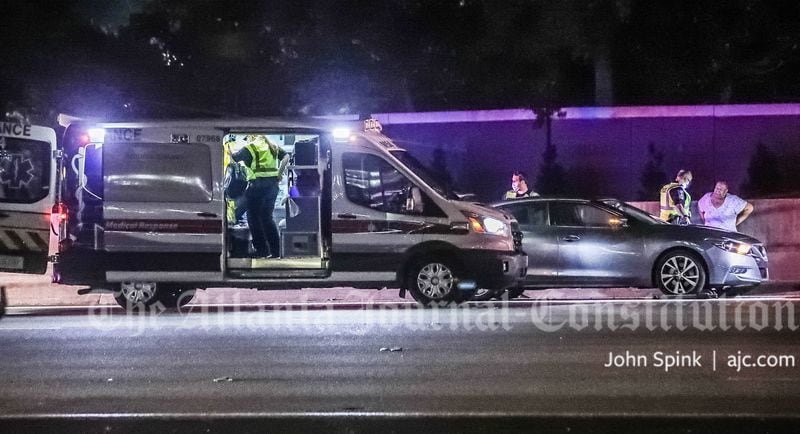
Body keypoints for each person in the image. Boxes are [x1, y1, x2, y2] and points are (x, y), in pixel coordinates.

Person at [232, 135, 289, 258]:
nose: (246, 140)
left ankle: (262, 249)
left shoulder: (250, 147)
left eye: (247, 138)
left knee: (252, 217)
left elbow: (234, 157)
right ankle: (276, 251)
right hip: (272, 186)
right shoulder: (272, 145)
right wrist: (280, 173)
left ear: (252, 136)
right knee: (267, 218)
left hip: (258, 186)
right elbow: (286, 156)